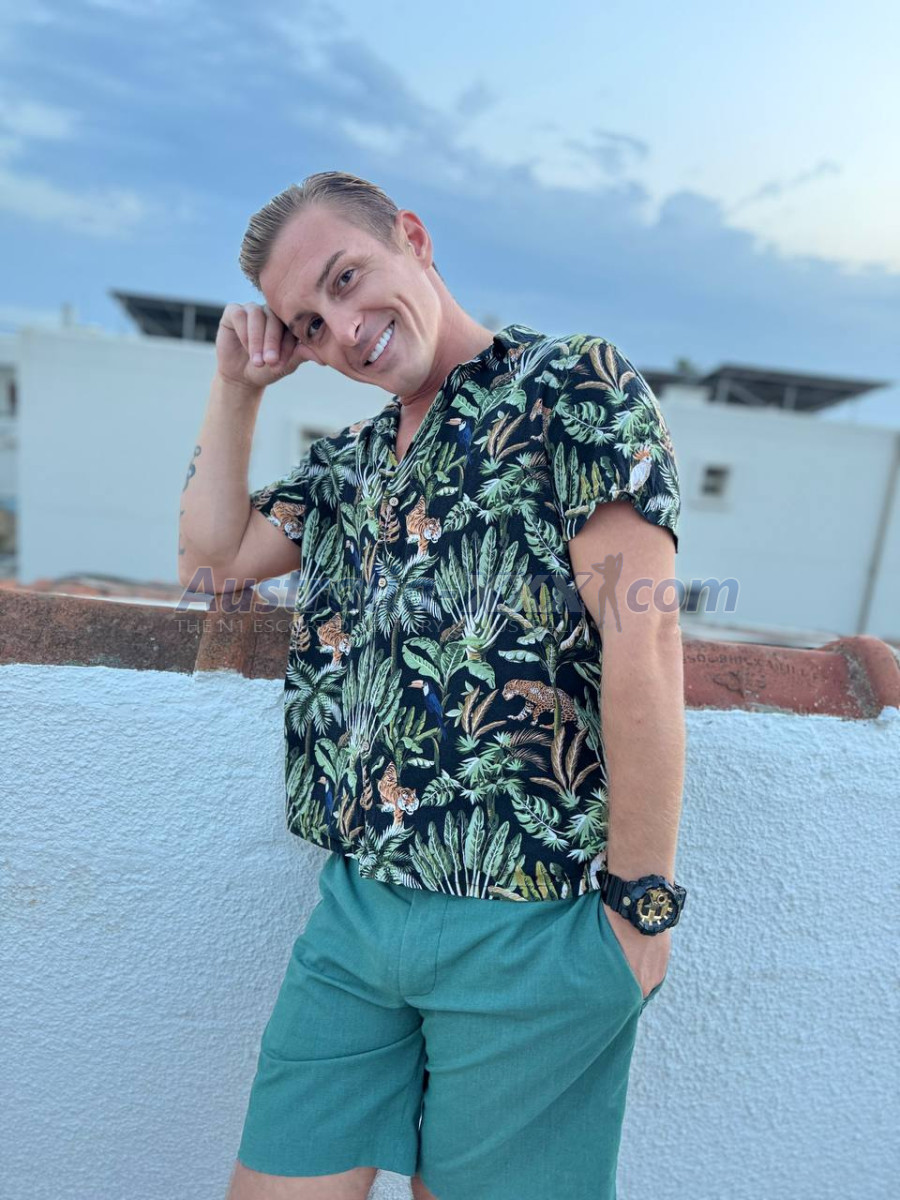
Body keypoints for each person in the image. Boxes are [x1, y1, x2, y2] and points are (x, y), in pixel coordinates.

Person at [179, 171, 688, 1200]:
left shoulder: (570, 385)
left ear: (411, 236)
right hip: (357, 913)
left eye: (346, 278)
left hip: (526, 922)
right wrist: (237, 387)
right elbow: (214, 559)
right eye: (308, 325)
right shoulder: (351, 465)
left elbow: (645, 645)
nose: (343, 330)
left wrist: (642, 909)